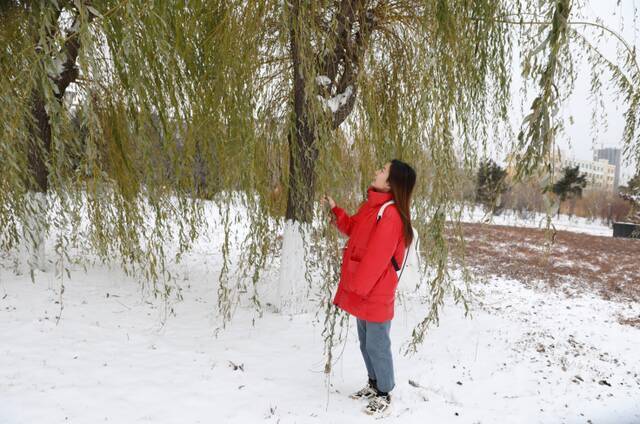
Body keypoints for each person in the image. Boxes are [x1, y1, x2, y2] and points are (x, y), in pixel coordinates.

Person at [322, 159, 416, 416]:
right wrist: (336, 211)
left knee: (377, 344)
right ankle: (373, 384)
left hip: (375, 291)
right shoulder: (373, 206)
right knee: (365, 343)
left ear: (391, 182)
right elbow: (353, 228)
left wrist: (357, 289)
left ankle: (384, 392)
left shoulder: (392, 215)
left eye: (383, 170)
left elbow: (377, 258)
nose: (377, 171)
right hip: (364, 288)